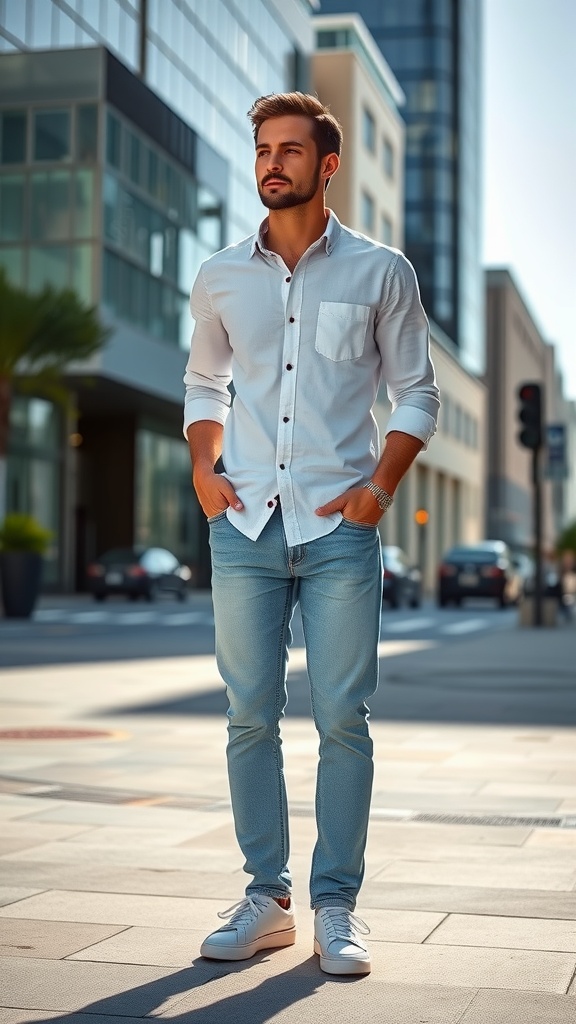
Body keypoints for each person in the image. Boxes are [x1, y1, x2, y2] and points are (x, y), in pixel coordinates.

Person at [184, 92, 440, 975]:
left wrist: (380, 489)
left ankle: (337, 906)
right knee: (248, 715)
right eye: (263, 148)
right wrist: (203, 472)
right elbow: (203, 384)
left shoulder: (380, 271)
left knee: (343, 718)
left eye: (291, 150)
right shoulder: (220, 274)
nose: (272, 163)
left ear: (328, 166)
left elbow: (417, 392)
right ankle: (268, 897)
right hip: (244, 523)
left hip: (341, 529)